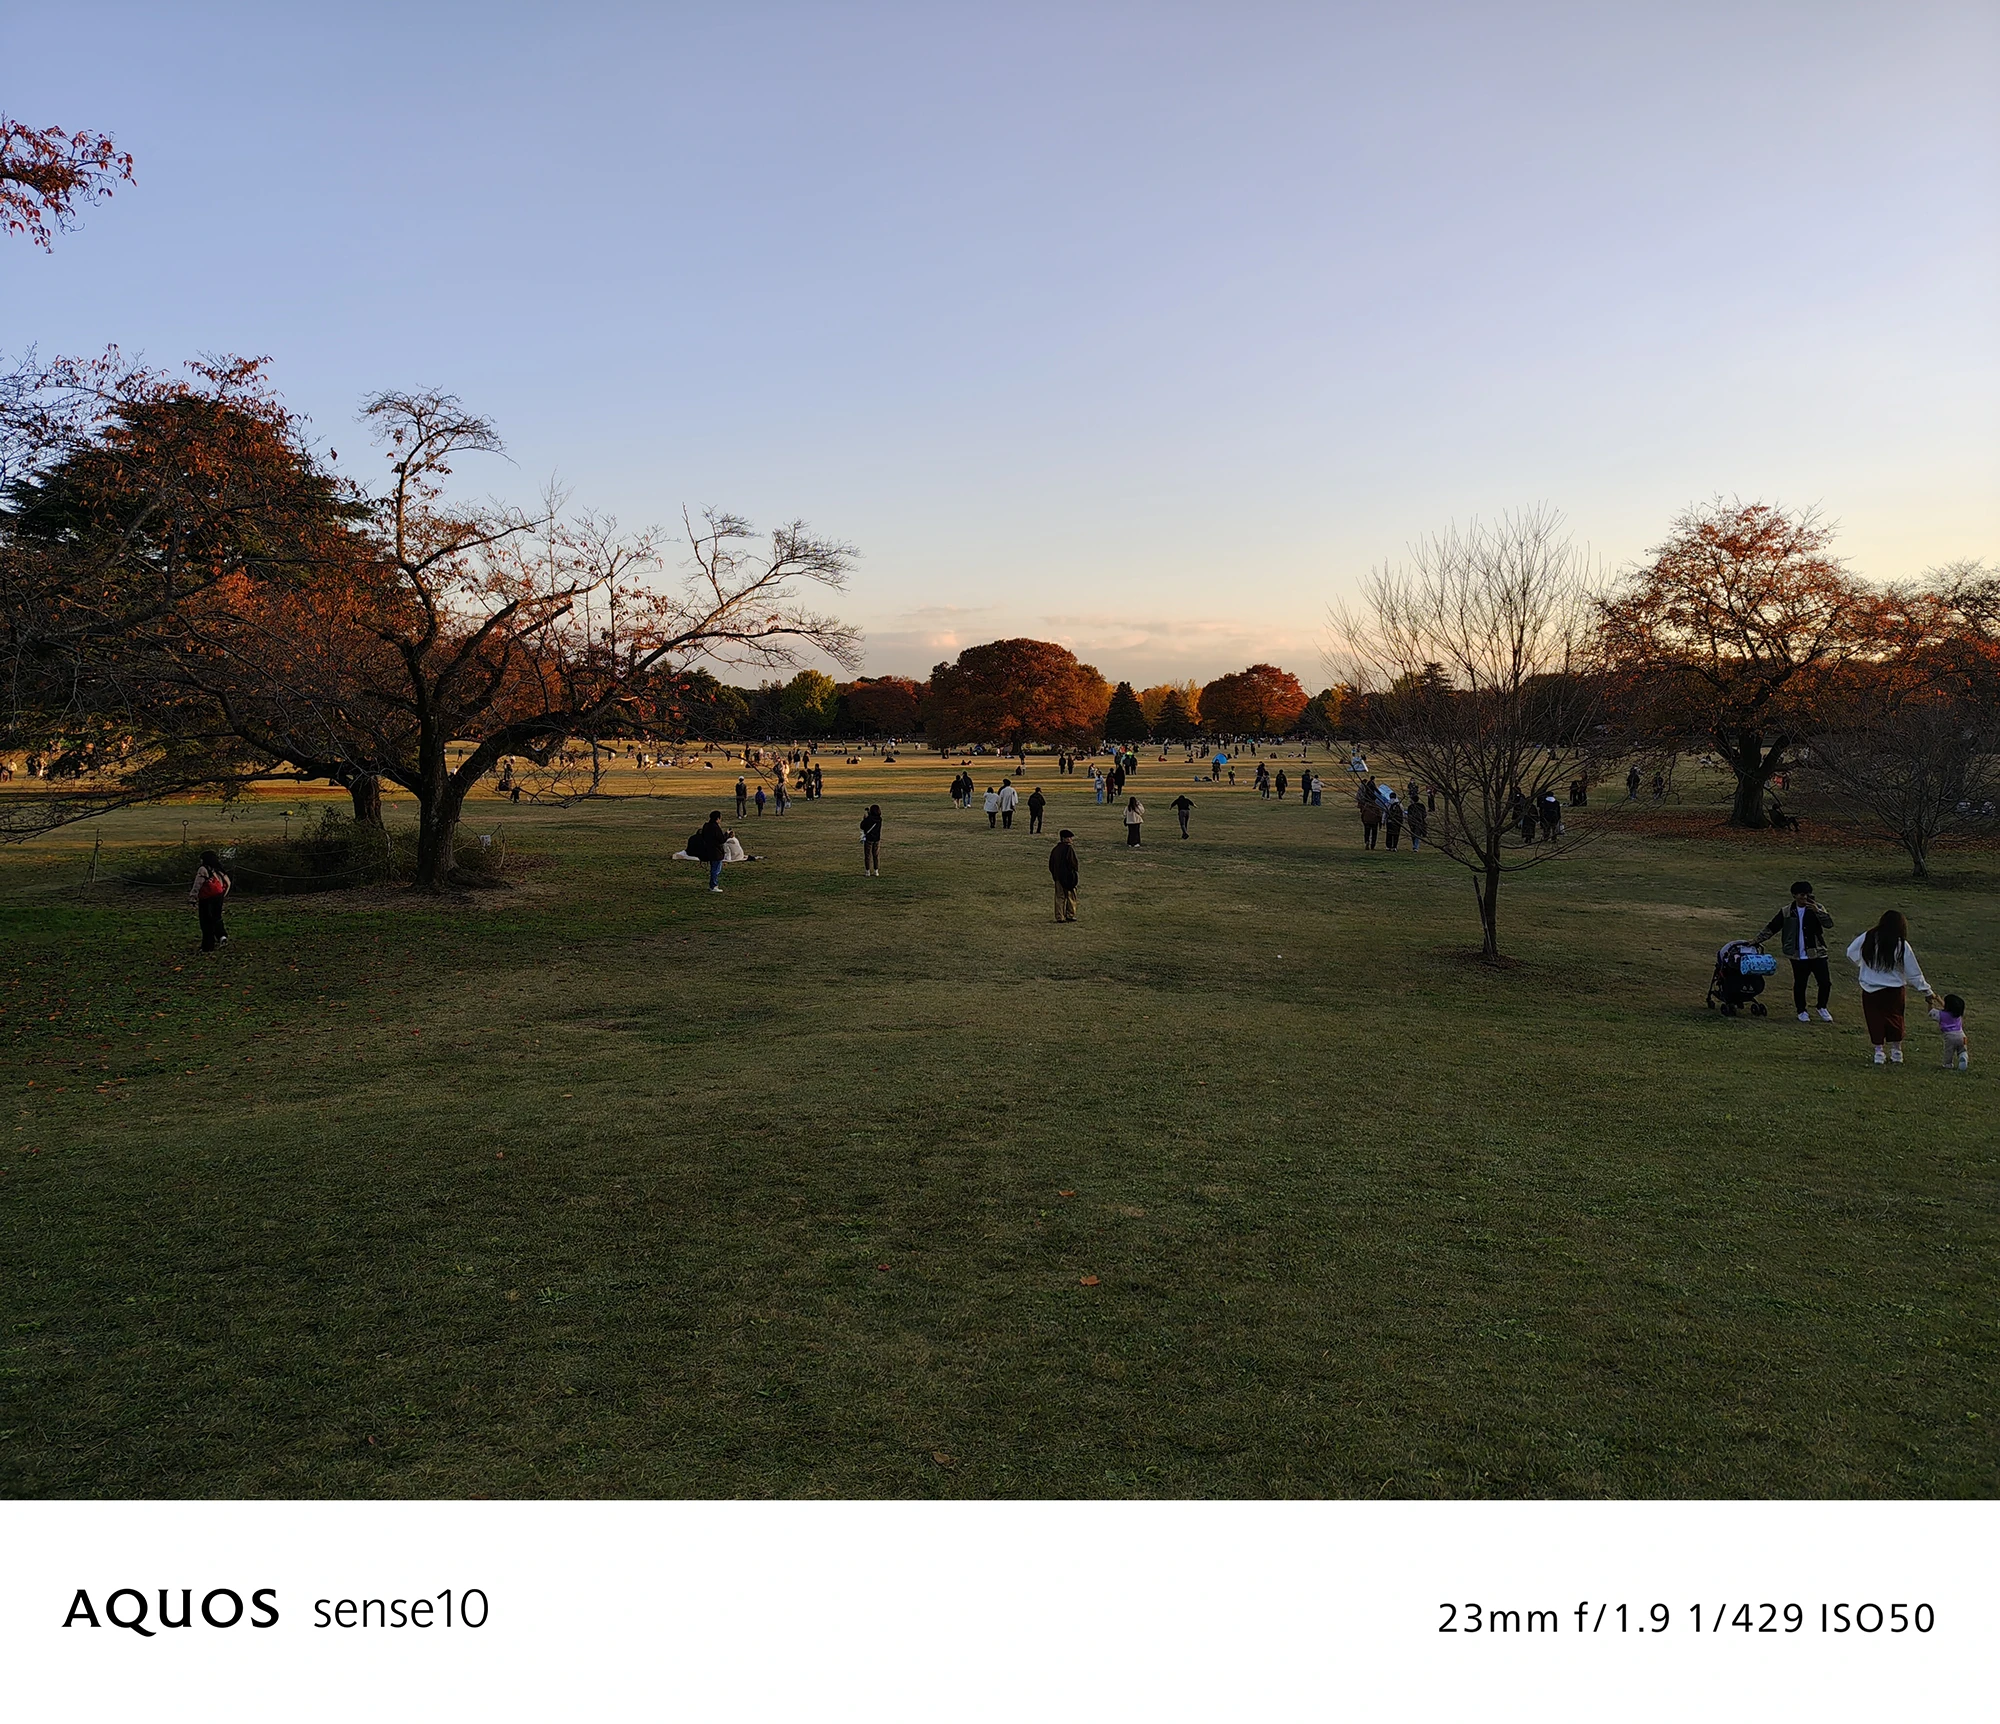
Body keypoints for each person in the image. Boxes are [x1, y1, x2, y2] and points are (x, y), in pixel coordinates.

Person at [1845, 910, 1935, 1065]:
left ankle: (1879, 1053)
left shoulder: (1869, 937)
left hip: (1870, 988)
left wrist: (1863, 965)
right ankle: (1896, 1051)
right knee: (1895, 1019)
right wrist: (1927, 991)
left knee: (1874, 1019)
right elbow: (1913, 972)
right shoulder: (1901, 944)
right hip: (1894, 990)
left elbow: (1850, 952)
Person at [1755, 881, 1836, 1022]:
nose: (1805, 898)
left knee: (1825, 982)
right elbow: (1772, 927)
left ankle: (1822, 1007)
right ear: (1794, 896)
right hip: (1797, 954)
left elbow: (1829, 924)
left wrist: (1818, 912)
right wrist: (1756, 941)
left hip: (1817, 952)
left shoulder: (1817, 908)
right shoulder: (1786, 911)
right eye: (1802, 895)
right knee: (1800, 983)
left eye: (1808, 894)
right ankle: (1801, 1010)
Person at [189, 849, 231, 951]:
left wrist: (193, 898)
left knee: (206, 922)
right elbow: (228, 882)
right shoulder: (218, 869)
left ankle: (207, 946)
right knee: (217, 917)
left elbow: (197, 885)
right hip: (218, 897)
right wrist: (222, 895)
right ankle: (222, 936)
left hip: (206, 899)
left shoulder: (203, 869)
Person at [689, 811, 731, 892]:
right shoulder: (715, 827)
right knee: (716, 870)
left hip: (708, 850)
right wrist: (727, 834)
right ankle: (714, 885)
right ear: (717, 819)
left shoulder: (706, 826)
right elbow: (721, 840)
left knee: (713, 868)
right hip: (716, 851)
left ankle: (713, 885)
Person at [1929, 993, 1968, 1071]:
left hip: (1950, 1036)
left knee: (1949, 1051)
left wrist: (1930, 1002)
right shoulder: (1958, 1014)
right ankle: (1963, 1057)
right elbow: (1949, 1008)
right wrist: (1939, 1000)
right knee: (1962, 1050)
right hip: (1962, 1035)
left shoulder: (1942, 1015)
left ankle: (1948, 1064)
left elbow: (1931, 1012)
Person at [1049, 828, 1080, 922]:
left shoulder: (1055, 849)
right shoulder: (1068, 849)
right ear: (1064, 839)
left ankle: (1060, 916)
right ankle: (1070, 914)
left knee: (1059, 897)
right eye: (1069, 838)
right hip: (1068, 877)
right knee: (1071, 896)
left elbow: (1051, 864)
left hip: (1058, 877)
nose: (1071, 839)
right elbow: (1073, 863)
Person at [860, 804, 883, 876]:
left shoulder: (868, 819)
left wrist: (865, 819)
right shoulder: (879, 819)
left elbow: (862, 826)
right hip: (877, 839)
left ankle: (867, 871)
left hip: (869, 839)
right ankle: (876, 871)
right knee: (875, 855)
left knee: (867, 855)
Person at [1357, 781, 1381, 849]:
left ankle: (1367, 841)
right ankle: (1373, 845)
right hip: (1374, 822)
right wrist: (1380, 822)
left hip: (1367, 821)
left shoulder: (1366, 806)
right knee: (1374, 833)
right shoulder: (1376, 806)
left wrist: (1363, 820)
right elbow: (1379, 814)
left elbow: (1363, 813)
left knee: (1367, 832)